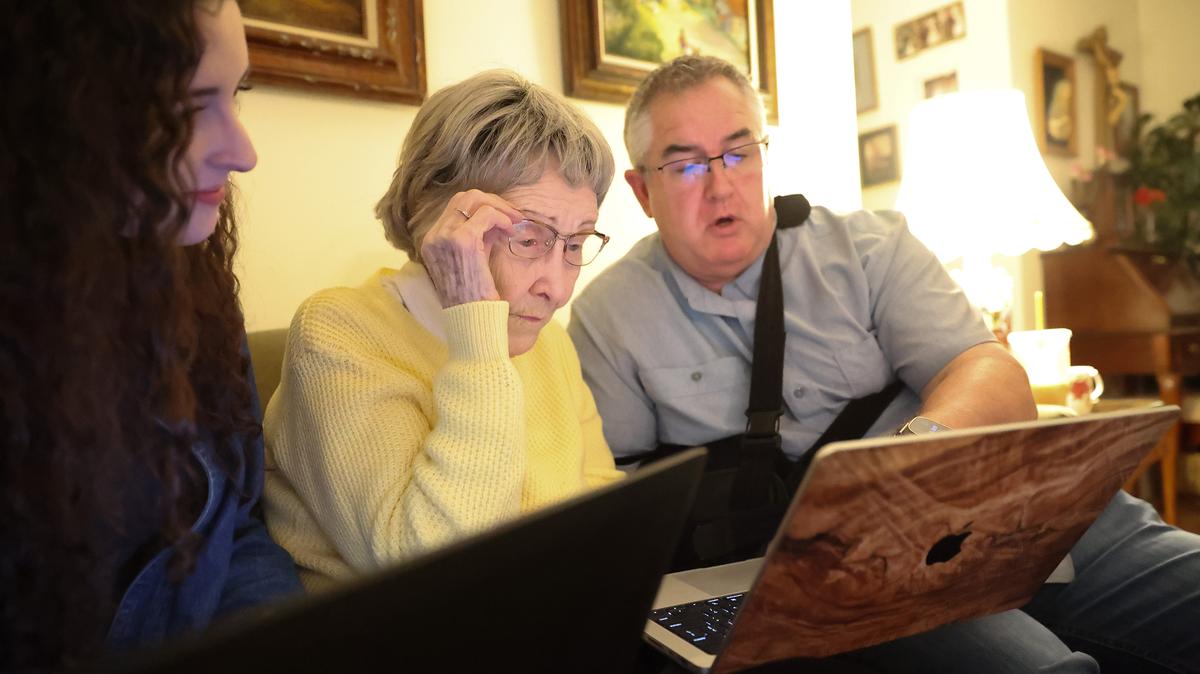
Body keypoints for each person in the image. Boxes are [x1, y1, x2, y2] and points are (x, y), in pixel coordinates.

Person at [568, 55, 1200, 673]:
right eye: (683, 164)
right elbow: (624, 508)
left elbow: (994, 377)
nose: (721, 183)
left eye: (740, 151)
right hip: (844, 582)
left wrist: (906, 465)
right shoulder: (608, 318)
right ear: (642, 190)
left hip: (1000, 508)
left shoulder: (871, 247)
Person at [0, 1, 301, 670]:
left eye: (238, 93)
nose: (244, 153)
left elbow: (238, 536)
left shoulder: (194, 285)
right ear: (58, 115)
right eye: (192, 106)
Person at [262, 70, 623, 593]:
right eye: (528, 237)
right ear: (438, 219)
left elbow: (608, 519)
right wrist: (477, 329)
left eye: (576, 243)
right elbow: (433, 567)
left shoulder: (550, 340)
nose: (557, 287)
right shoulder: (337, 333)